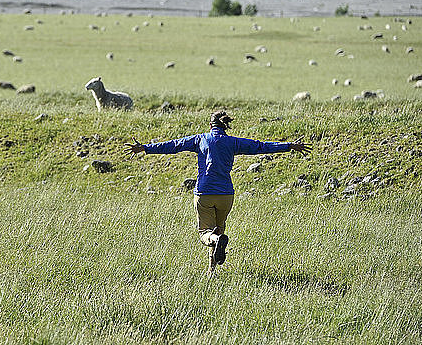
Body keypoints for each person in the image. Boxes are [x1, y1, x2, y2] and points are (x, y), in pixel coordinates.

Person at [124, 110, 311, 275]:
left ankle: (215, 243)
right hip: (226, 195)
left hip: (204, 192)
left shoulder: (200, 139)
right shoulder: (233, 142)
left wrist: (145, 148)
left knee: (206, 233)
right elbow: (260, 146)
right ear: (225, 125)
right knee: (219, 230)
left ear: (210, 125)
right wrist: (289, 146)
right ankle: (211, 271)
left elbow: (174, 145)